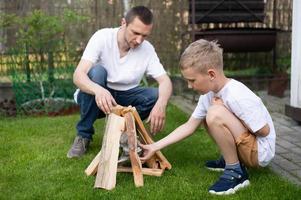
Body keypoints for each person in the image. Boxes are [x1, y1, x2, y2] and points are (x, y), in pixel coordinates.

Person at [140, 39, 276, 195]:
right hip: (246, 143)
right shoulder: (209, 94)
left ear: (211, 74)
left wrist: (225, 110)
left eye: (192, 80)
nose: (190, 86)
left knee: (214, 113)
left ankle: (236, 171)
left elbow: (264, 131)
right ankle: (229, 157)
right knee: (208, 114)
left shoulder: (237, 95)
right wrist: (155, 146)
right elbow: (189, 126)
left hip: (260, 152)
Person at [67, 6, 172, 158]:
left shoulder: (147, 49)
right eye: (135, 33)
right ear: (123, 23)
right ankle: (83, 135)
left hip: (124, 98)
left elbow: (165, 81)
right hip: (95, 98)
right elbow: (78, 75)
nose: (139, 40)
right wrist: (98, 90)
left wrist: (161, 104)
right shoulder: (102, 37)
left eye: (144, 36)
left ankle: (123, 132)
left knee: (156, 95)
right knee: (98, 72)